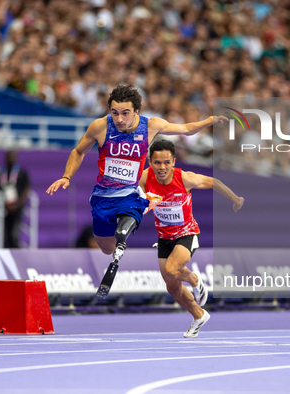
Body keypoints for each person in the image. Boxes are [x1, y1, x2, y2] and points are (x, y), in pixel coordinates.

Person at [46, 84, 227, 298]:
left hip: (130, 195)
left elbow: (186, 129)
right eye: (114, 113)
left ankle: (126, 229)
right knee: (106, 247)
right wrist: (66, 176)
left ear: (136, 112)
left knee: (132, 210)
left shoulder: (151, 126)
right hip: (102, 198)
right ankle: (119, 240)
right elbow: (78, 152)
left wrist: (208, 121)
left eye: (125, 113)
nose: (119, 119)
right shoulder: (99, 127)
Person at [139, 139, 244, 338]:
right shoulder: (144, 178)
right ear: (150, 162)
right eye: (157, 162)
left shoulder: (185, 178)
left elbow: (215, 182)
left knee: (172, 268)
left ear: (174, 162)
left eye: (167, 162)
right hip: (164, 238)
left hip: (186, 234)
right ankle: (199, 315)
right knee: (172, 287)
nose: (162, 167)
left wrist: (235, 199)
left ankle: (195, 280)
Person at [0, 150, 31, 248]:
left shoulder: (22, 173)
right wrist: (1, 204)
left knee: (14, 234)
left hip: (17, 208)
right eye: (9, 157)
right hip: (4, 208)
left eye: (12, 156)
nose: (10, 159)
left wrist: (17, 204)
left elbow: (26, 190)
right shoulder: (0, 173)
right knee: (4, 234)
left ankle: (15, 256)